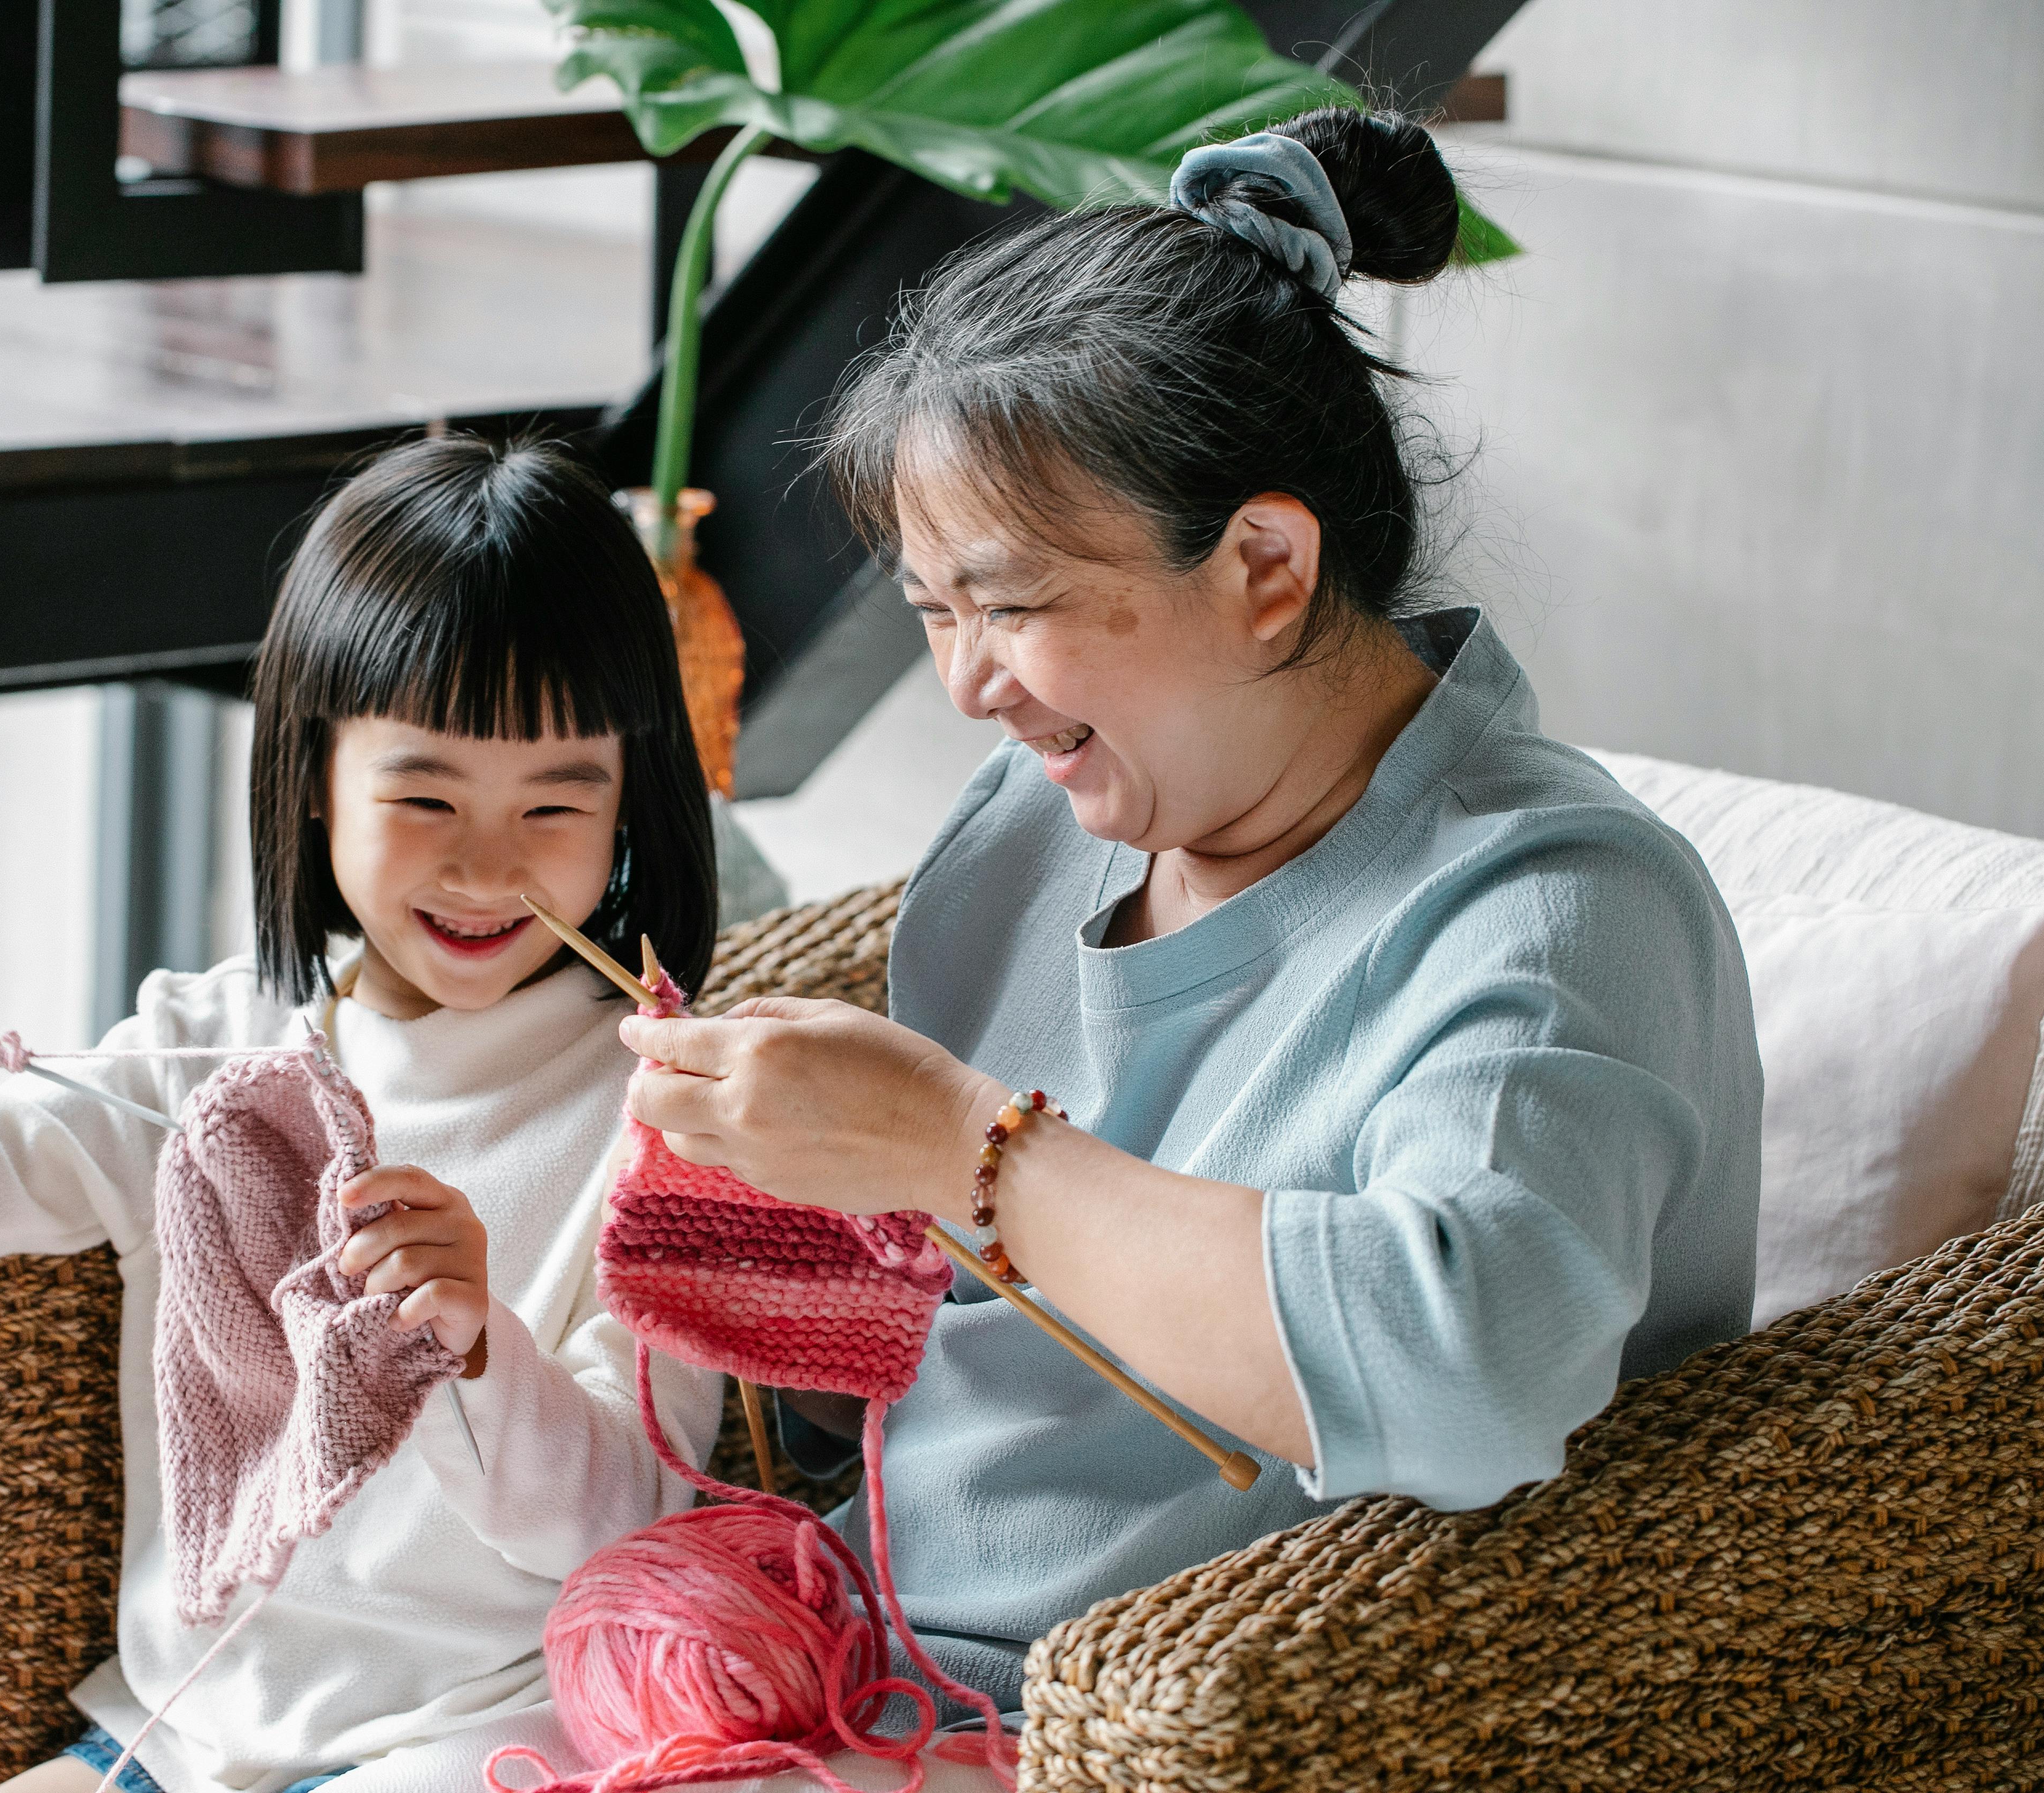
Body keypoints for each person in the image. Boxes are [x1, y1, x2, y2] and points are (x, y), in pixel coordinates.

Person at [619, 108, 1763, 1715]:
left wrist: (963, 1149)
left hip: (1193, 1726)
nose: (967, 686)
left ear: (1269, 567)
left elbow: (1469, 1373)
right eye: (936, 614)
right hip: (843, 1653)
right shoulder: (1034, 825)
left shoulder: (1557, 906)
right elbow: (926, 1339)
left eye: (1011, 607)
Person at [0, 437, 723, 1793]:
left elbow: (637, 1516)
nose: (490, 863)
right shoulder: (210, 1053)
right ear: (313, 780)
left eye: (559, 801)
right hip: (174, 1731)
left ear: (632, 802)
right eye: (424, 795)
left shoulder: (666, 1112)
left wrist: (477, 1343)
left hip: (473, 1738)